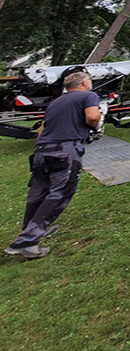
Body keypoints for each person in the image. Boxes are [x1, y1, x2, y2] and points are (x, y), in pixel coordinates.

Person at [4, 70, 101, 259]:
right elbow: (91, 117)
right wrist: (95, 125)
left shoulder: (55, 102)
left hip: (42, 150)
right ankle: (27, 241)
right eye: (89, 80)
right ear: (83, 84)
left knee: (38, 194)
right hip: (65, 150)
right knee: (60, 192)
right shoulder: (89, 95)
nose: (90, 84)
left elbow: (42, 129)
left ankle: (30, 229)